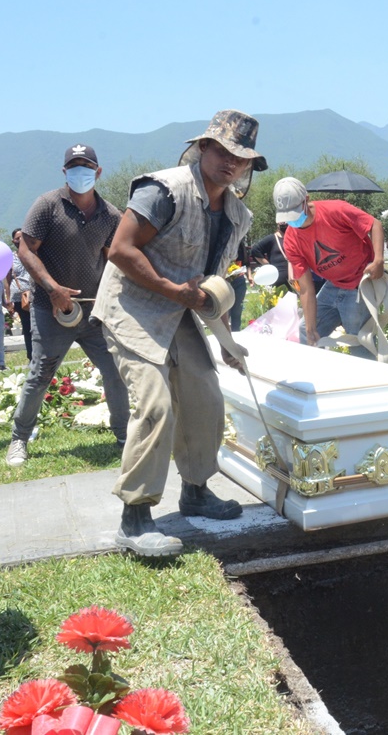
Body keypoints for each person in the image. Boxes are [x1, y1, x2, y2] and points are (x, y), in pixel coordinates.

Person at [93, 110, 265, 555]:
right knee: (156, 406)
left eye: (241, 158)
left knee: (205, 396)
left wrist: (225, 339)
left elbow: (209, 283)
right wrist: (173, 290)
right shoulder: (164, 190)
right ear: (204, 147)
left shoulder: (235, 214)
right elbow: (120, 249)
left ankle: (196, 490)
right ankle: (134, 518)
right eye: (224, 151)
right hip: (132, 305)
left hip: (180, 310)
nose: (231, 163)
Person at [5, 144, 130, 467]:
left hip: (94, 312)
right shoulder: (47, 206)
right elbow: (26, 250)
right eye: (74, 167)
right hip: (52, 311)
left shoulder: (111, 215)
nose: (80, 173)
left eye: (86, 167)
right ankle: (19, 439)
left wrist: (116, 296)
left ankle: (124, 436)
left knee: (115, 371)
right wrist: (52, 289)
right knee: (40, 375)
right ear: (64, 173)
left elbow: (114, 259)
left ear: (98, 172)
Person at [274, 177, 385, 357]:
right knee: (305, 331)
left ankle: (367, 382)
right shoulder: (291, 240)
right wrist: (311, 328)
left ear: (306, 200)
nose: (293, 222)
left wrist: (378, 260)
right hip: (333, 285)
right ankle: (316, 380)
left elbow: (374, 224)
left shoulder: (336, 210)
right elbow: (306, 289)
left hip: (359, 283)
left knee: (359, 341)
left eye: (294, 213)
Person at [7, 228, 33, 361]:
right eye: (17, 238)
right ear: (13, 241)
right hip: (19, 297)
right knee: (27, 327)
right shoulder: (10, 257)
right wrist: (7, 299)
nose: (20, 240)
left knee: (38, 327)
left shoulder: (33, 253)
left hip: (35, 295)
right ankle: (31, 356)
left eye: (23, 237)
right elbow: (7, 279)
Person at [250, 223, 290, 287]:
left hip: (294, 279)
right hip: (278, 279)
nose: (284, 223)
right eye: (282, 222)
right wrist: (267, 265)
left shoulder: (292, 238)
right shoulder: (271, 239)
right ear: (278, 224)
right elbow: (255, 250)